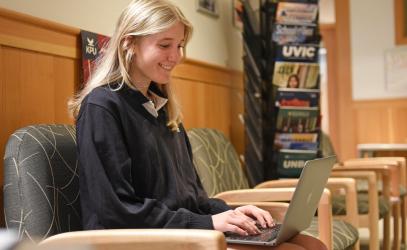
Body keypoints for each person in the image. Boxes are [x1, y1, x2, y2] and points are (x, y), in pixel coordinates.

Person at [68, 1, 326, 249]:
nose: (176, 56)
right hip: (139, 242)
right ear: (129, 43)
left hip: (179, 234)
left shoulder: (164, 111)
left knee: (313, 244)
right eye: (165, 45)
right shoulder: (102, 108)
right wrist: (208, 224)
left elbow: (191, 201)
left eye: (180, 45)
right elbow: (114, 211)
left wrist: (230, 212)